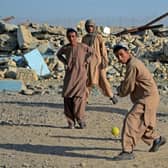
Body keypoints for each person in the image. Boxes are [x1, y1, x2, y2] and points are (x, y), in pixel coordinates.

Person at [112, 44, 166, 160]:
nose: (120, 58)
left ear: (128, 52)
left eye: (121, 54)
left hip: (147, 98)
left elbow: (128, 86)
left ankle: (127, 151)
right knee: (142, 124)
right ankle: (157, 139)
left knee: (131, 120)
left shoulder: (132, 64)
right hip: (148, 97)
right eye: (117, 57)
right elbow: (129, 82)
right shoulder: (132, 63)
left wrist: (119, 92)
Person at [56, 28, 93, 129]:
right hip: (69, 76)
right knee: (67, 98)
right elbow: (58, 54)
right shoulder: (66, 48)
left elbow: (92, 53)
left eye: (73, 36)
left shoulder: (83, 47)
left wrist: (87, 61)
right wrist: (65, 62)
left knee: (79, 99)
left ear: (76, 37)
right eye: (69, 37)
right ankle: (70, 122)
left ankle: (80, 120)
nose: (71, 38)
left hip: (81, 76)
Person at [82, 19, 118, 104]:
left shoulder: (98, 37)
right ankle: (84, 99)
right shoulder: (84, 38)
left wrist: (105, 60)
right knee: (87, 81)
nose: (90, 28)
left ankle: (111, 96)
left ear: (94, 27)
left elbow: (103, 50)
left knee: (103, 80)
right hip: (89, 63)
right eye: (88, 27)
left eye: (91, 26)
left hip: (99, 63)